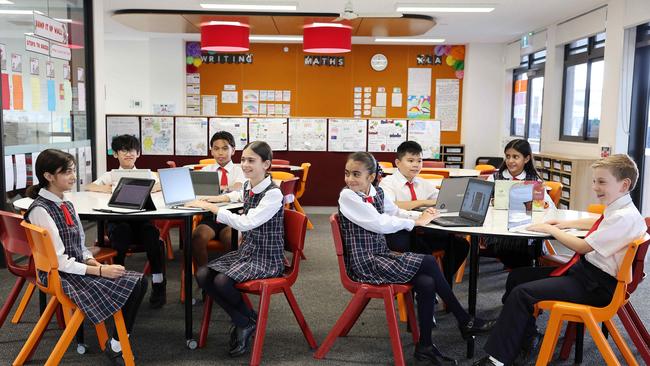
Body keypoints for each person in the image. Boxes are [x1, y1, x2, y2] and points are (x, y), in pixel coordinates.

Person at [474, 154, 649, 366]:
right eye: (594, 181)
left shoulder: (623, 217)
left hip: (596, 287)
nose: (595, 187)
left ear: (625, 184)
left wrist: (550, 229)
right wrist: (565, 224)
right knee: (518, 277)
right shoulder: (622, 210)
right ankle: (527, 335)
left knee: (522, 293)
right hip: (588, 276)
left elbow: (583, 247)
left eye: (602, 182)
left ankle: (498, 360)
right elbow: (599, 222)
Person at [338, 151, 495, 365]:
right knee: (428, 261)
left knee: (427, 280)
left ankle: (426, 347)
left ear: (372, 176)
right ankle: (464, 319)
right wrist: (415, 223)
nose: (349, 179)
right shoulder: (347, 196)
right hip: (366, 263)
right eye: (347, 173)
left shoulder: (376, 193)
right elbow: (379, 223)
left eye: (356, 174)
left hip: (382, 256)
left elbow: (395, 213)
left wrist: (423, 216)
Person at [25, 149, 147, 365]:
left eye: (73, 170)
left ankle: (117, 343)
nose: (73, 176)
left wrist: (93, 261)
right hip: (61, 277)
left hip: (73, 269)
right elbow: (60, 261)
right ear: (49, 176)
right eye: (67, 172)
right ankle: (117, 345)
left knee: (137, 281)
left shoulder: (66, 203)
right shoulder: (41, 210)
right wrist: (99, 270)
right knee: (136, 283)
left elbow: (80, 247)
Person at [186, 141, 284, 357]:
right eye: (243, 160)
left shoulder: (273, 194)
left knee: (221, 281)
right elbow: (237, 196)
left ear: (266, 164)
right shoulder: (250, 185)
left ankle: (244, 321)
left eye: (251, 160)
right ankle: (246, 320)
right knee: (202, 274)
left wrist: (210, 208)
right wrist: (217, 198)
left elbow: (247, 223)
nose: (245, 165)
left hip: (266, 258)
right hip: (247, 252)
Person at [85, 134, 167, 308]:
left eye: (131, 150)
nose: (128, 154)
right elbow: (90, 186)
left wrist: (146, 188)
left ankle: (159, 281)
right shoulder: (111, 175)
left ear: (138, 153)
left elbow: (163, 185)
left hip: (142, 223)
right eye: (123, 150)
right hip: (118, 223)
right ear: (115, 154)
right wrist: (114, 188)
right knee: (122, 231)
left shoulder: (146, 174)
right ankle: (118, 279)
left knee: (152, 234)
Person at [380, 140, 470, 283]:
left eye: (419, 160)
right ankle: (425, 284)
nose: (416, 164)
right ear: (397, 162)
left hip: (422, 231)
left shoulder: (422, 182)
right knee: (422, 249)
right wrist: (424, 202)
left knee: (460, 245)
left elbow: (440, 199)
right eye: (410, 160)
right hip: (399, 234)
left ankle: (441, 282)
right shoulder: (387, 183)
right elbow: (391, 207)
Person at [485, 139, 555, 269]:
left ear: (526, 159)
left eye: (515, 157)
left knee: (523, 248)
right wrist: (492, 202)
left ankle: (520, 279)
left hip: (525, 231)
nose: (510, 161)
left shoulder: (535, 180)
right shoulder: (495, 177)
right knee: (515, 251)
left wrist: (542, 204)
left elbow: (550, 208)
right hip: (498, 231)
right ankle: (520, 279)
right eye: (508, 156)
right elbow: (482, 203)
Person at [191, 131, 246, 267]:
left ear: (233, 150)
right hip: (210, 217)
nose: (220, 153)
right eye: (216, 149)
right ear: (211, 151)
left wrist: (219, 190)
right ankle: (204, 276)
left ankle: (228, 274)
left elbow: (238, 187)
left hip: (232, 217)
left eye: (225, 148)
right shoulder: (205, 170)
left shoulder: (241, 170)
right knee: (198, 236)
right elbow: (195, 193)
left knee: (230, 238)